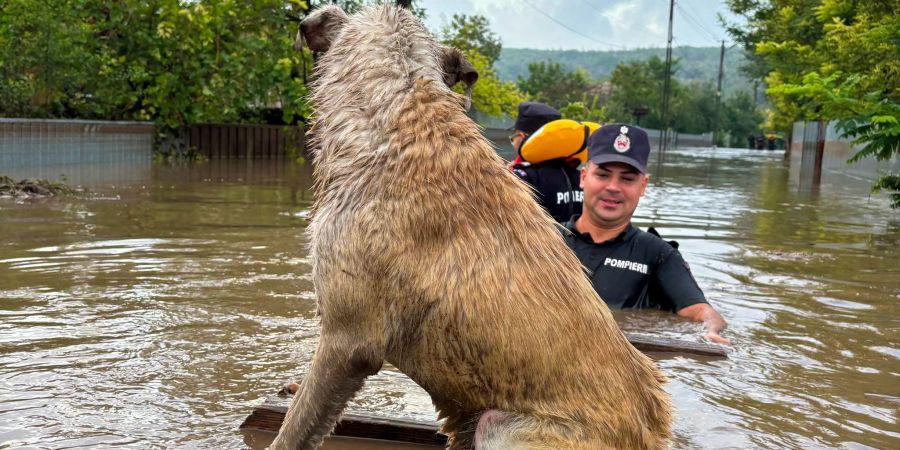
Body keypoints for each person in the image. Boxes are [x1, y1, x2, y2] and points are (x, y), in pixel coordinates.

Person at [560, 123, 730, 344]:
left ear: (643, 186)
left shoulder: (657, 254)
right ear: (583, 178)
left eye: (627, 179)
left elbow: (701, 311)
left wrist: (710, 331)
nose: (613, 187)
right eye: (602, 175)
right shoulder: (544, 238)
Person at [508, 102, 583, 222]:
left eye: (513, 137)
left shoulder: (524, 177)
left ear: (522, 136)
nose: (513, 141)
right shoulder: (581, 177)